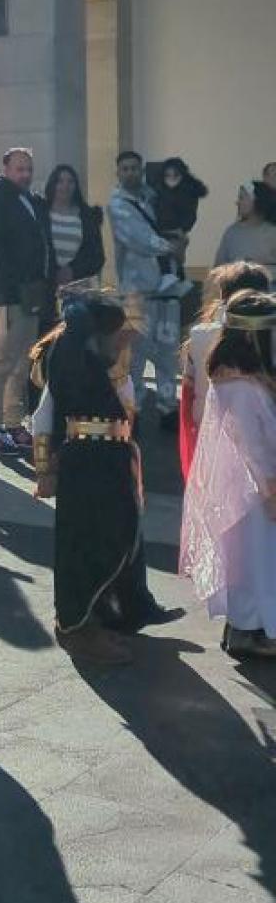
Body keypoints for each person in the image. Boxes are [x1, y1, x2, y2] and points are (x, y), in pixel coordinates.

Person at [32, 293, 174, 666]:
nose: (122, 339)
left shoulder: (102, 367)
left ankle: (119, 612)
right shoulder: (68, 360)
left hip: (112, 463)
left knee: (120, 537)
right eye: (115, 332)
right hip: (86, 466)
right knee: (88, 545)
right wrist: (45, 471)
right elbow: (43, 419)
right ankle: (78, 627)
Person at [180, 290, 276, 658]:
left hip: (251, 487)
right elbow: (252, 443)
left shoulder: (245, 379)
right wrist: (270, 487)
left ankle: (250, 626)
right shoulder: (240, 387)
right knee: (256, 560)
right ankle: (249, 630)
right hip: (254, 491)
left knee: (255, 560)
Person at [0, 148, 55, 457]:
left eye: (29, 168)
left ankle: (13, 422)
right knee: (1, 361)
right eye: (19, 168)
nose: (25, 174)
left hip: (31, 293)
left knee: (23, 362)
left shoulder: (29, 199)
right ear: (5, 168)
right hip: (7, 294)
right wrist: (10, 283)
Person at [108, 150, 182, 430]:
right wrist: (172, 246)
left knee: (168, 350)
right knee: (135, 354)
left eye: (135, 168)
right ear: (118, 172)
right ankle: (134, 409)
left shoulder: (156, 196)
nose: (131, 173)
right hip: (137, 292)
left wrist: (179, 238)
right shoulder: (117, 204)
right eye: (125, 168)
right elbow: (139, 238)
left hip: (167, 287)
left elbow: (175, 222)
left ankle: (168, 407)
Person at [179, 261, 270, 479]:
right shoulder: (268, 334)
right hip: (261, 434)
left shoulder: (199, 335)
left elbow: (189, 395)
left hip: (210, 430)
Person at [44, 164, 105, 292]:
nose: (65, 186)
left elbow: (97, 256)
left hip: (79, 287)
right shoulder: (40, 213)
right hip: (46, 286)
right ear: (53, 185)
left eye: (70, 182)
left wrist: (73, 270)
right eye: (60, 181)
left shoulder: (87, 215)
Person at [149, 157, 208, 276]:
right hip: (160, 234)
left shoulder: (188, 191)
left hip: (175, 234)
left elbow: (190, 216)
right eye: (168, 175)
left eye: (175, 175)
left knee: (173, 269)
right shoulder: (156, 190)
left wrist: (180, 230)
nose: (171, 178)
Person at [214, 181, 276, 278]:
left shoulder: (272, 233)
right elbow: (218, 268)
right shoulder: (232, 232)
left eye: (242, 198)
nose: (237, 202)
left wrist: (257, 269)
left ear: (256, 201)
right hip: (236, 290)